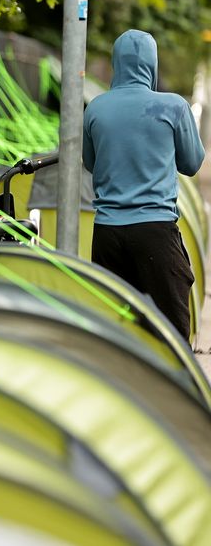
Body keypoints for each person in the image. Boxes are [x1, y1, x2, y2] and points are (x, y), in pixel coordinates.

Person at [83, 29, 205, 341]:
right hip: (156, 232)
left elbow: (90, 163)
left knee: (114, 329)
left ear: (116, 63)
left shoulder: (95, 108)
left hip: (107, 233)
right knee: (171, 332)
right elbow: (192, 164)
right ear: (152, 64)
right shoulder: (173, 107)